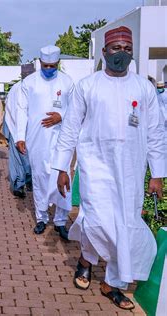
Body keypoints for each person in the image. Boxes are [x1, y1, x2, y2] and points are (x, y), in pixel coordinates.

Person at [53, 26, 166, 310]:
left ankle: (112, 283)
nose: (122, 54)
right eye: (116, 48)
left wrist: (158, 174)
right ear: (104, 52)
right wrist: (62, 167)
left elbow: (155, 132)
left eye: (127, 49)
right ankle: (86, 260)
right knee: (95, 220)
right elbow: (69, 129)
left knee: (125, 226)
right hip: (96, 166)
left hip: (131, 169)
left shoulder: (144, 87)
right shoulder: (87, 86)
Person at [16, 45, 74, 240]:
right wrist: (20, 137)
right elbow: (21, 110)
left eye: (53, 65)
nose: (49, 68)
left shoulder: (67, 82)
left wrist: (62, 116)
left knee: (62, 176)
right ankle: (41, 218)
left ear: (58, 63)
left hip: (61, 137)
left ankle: (60, 221)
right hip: (37, 137)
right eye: (45, 65)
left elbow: (76, 110)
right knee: (40, 178)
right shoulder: (30, 82)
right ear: (40, 63)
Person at [3, 64, 35, 198]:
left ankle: (27, 181)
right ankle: (19, 184)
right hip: (15, 129)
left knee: (28, 158)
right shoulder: (16, 88)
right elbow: (10, 110)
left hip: (32, 130)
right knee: (17, 159)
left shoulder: (35, 87)